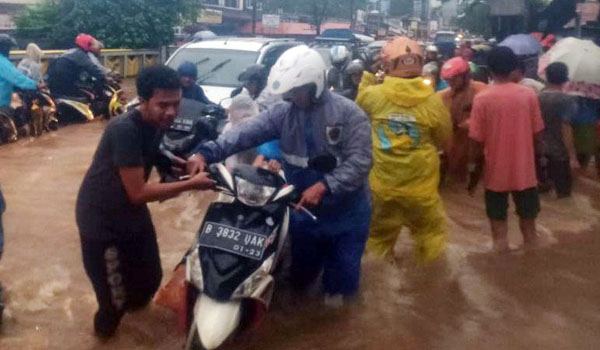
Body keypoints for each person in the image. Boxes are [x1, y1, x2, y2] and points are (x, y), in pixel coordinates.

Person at [187, 45, 373, 307]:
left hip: (347, 215)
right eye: (288, 91)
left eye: (296, 90)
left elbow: (361, 161)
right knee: (299, 280)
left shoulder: (350, 114)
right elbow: (244, 133)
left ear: (315, 84)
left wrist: (326, 186)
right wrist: (206, 152)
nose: (290, 96)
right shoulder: (282, 113)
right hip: (302, 211)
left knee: (338, 290)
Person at [76, 65, 215, 338]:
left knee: (149, 282)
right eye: (163, 105)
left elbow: (154, 151)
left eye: (176, 104)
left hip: (132, 215)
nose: (172, 112)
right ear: (142, 101)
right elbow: (138, 192)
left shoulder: (157, 123)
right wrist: (192, 184)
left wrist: (177, 163)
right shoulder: (123, 129)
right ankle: (104, 341)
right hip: (102, 223)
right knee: (113, 304)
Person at [356, 37, 452, 264]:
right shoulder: (433, 101)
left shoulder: (374, 96)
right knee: (431, 239)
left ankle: (379, 288)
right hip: (422, 192)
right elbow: (445, 142)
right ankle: (432, 286)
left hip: (383, 189)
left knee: (377, 241)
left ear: (386, 65)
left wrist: (371, 75)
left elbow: (359, 104)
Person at [468, 46, 545, 252]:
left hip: (495, 174)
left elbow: (476, 140)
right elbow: (537, 133)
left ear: (489, 69)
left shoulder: (482, 98)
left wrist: (473, 170)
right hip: (525, 173)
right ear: (513, 68)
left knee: (499, 237)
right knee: (530, 233)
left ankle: (502, 271)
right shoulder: (528, 95)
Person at [438, 57, 487, 183]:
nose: (451, 82)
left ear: (465, 75)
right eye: (448, 80)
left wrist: (472, 123)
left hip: (476, 149)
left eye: (454, 79)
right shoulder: (442, 96)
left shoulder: (482, 91)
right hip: (452, 150)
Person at [538, 62, 579, 198]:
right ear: (565, 79)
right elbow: (566, 129)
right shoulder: (567, 100)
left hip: (539, 152)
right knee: (564, 195)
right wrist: (573, 157)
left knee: (541, 194)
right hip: (559, 154)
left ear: (547, 77)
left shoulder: (537, 97)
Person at [47, 33, 106, 98]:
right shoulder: (81, 55)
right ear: (88, 45)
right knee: (89, 99)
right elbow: (97, 72)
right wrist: (100, 91)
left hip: (55, 86)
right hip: (65, 87)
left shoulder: (73, 52)